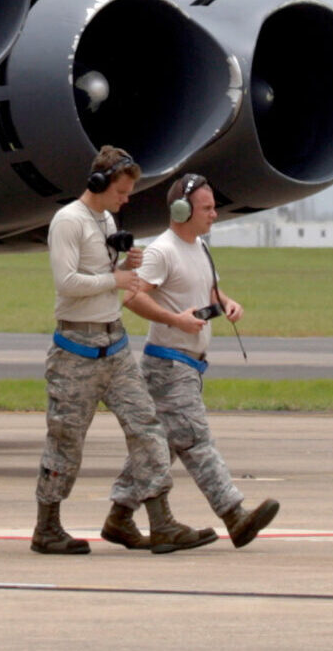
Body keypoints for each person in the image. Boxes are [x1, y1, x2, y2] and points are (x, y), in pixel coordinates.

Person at [32, 146, 217, 556]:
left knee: (147, 427)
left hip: (114, 345)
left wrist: (128, 266)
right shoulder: (68, 222)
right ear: (98, 183)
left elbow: (106, 274)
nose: (126, 199)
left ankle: (161, 522)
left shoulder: (106, 220)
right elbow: (66, 283)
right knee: (66, 438)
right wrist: (114, 279)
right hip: (75, 347)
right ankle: (47, 527)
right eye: (121, 191)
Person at [137, 173, 281, 547]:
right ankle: (235, 515)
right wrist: (174, 320)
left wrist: (227, 303)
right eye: (208, 208)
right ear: (182, 210)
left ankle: (119, 516)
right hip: (168, 364)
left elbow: (210, 289)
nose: (215, 214)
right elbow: (134, 297)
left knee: (160, 449)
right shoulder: (161, 251)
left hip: (190, 365)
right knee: (197, 440)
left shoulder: (199, 246)